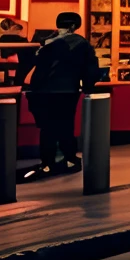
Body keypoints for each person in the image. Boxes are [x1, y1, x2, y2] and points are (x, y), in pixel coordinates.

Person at [21, 12, 100, 181]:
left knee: (47, 128)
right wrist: (88, 87)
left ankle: (47, 162)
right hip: (66, 90)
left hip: (40, 92)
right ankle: (69, 158)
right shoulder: (81, 43)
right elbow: (90, 69)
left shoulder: (46, 41)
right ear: (74, 26)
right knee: (65, 125)